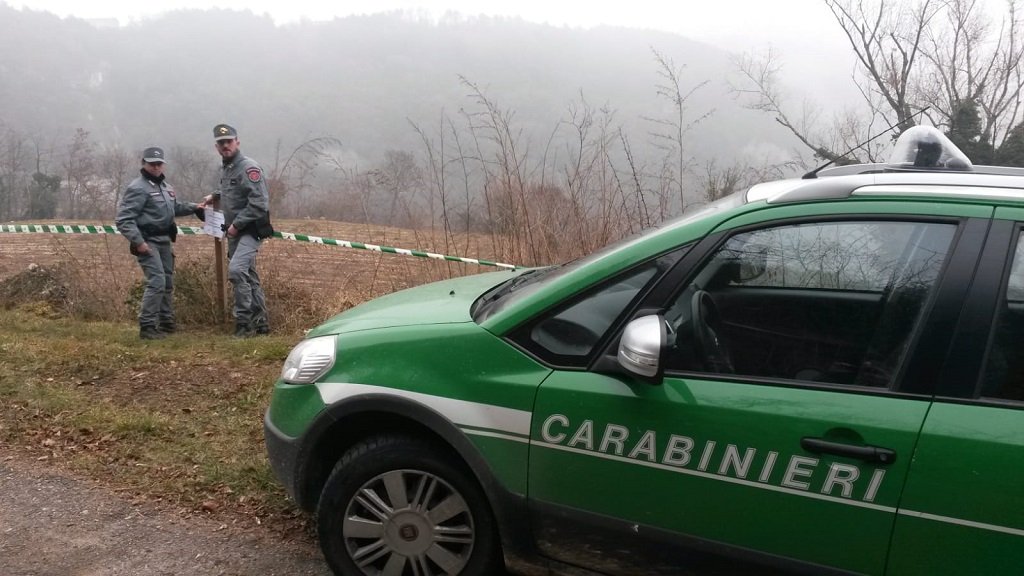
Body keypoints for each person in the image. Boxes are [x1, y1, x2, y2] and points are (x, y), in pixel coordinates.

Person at [116, 146, 206, 340]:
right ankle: (147, 326)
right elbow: (124, 219)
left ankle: (166, 322)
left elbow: (174, 208)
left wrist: (194, 207)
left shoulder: (166, 187)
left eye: (159, 164)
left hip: (165, 241)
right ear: (144, 164)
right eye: (152, 164)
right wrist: (138, 242)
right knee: (157, 282)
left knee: (167, 282)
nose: (156, 167)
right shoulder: (137, 188)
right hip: (148, 241)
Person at [210, 124, 273, 337]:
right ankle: (261, 323)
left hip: (250, 229)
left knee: (236, 271)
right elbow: (232, 189)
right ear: (216, 146)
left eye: (229, 141)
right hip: (235, 231)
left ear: (237, 142)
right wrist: (214, 195)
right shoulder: (227, 168)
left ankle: (243, 323)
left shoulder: (248, 167)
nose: (225, 145)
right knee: (249, 275)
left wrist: (236, 226)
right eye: (221, 143)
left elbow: (259, 202)